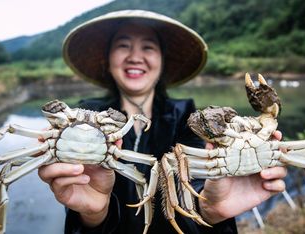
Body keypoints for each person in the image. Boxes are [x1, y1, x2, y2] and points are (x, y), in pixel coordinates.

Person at [38, 10, 287, 234]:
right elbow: (79, 190)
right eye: (123, 45)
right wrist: (92, 215)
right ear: (107, 59)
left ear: (162, 61)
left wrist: (210, 211)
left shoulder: (189, 118)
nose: (135, 56)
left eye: (148, 47)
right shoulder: (82, 118)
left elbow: (199, 183)